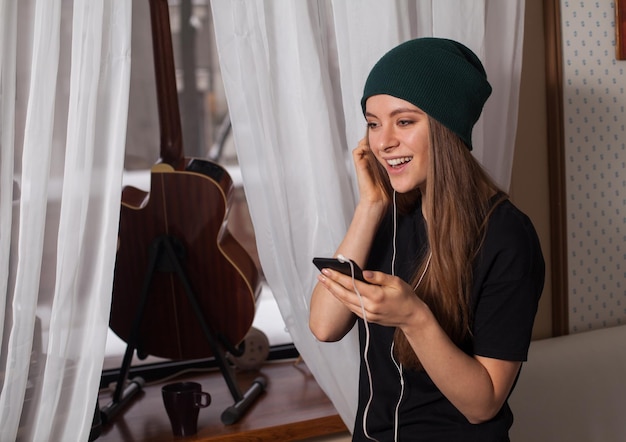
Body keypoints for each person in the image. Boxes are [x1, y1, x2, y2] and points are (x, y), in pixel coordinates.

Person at [309, 37, 545, 441]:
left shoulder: (507, 236)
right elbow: (324, 326)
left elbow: (483, 404)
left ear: (446, 126)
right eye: (372, 122)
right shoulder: (388, 212)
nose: (383, 142)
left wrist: (414, 318)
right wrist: (369, 206)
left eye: (404, 121)